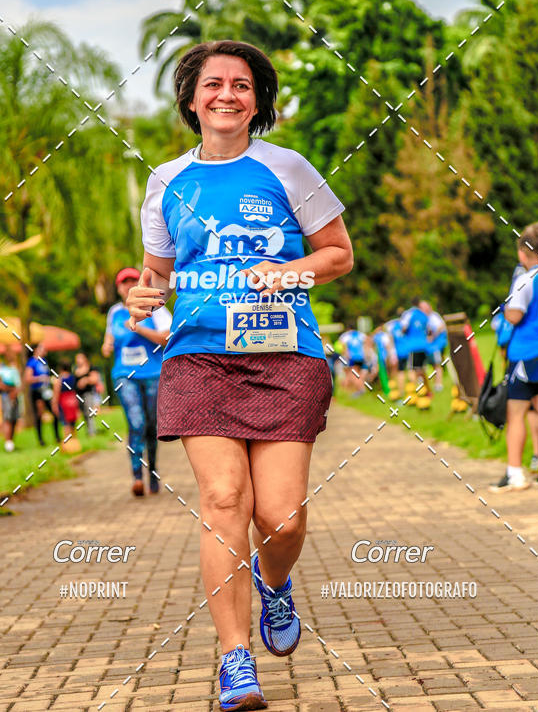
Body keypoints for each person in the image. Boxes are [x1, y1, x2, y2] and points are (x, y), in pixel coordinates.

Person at [126, 40, 353, 711]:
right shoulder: (165, 180)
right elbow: (156, 276)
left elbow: (338, 254)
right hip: (199, 356)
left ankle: (274, 585)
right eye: (214, 84)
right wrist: (144, 297)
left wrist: (288, 272)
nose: (228, 95)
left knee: (281, 520)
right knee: (225, 499)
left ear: (258, 101)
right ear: (192, 100)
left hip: (286, 358)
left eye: (243, 85)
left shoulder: (286, 168)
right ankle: (234, 657)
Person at [102, 268, 172, 497]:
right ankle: (136, 476)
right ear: (119, 287)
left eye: (132, 280)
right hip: (124, 375)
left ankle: (152, 471)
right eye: (124, 282)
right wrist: (107, 347)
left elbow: (166, 338)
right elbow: (109, 341)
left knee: (152, 426)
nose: (128, 285)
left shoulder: (157, 306)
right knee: (136, 422)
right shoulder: (114, 312)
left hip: (153, 374)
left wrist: (138, 327)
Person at [490, 223, 538, 492]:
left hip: (525, 353)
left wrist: (504, 308)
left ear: (524, 253)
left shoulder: (526, 279)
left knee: (517, 413)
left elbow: (514, 316)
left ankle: (515, 474)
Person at [24, 342, 60, 446]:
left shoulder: (44, 361)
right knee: (39, 415)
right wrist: (40, 378)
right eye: (41, 348)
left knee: (54, 412)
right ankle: (41, 440)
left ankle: (57, 437)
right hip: (37, 392)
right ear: (36, 350)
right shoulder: (32, 362)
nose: (44, 349)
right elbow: (28, 378)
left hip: (46, 390)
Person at [400, 300, 431, 398]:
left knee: (412, 370)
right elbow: (429, 330)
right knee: (422, 369)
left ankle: (415, 393)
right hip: (423, 345)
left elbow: (403, 328)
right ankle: (427, 390)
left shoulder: (408, 314)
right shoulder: (424, 315)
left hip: (412, 346)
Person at [0, 349, 22, 452]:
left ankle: (12, 442)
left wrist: (16, 392)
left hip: (15, 395)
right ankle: (8, 443)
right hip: (7, 396)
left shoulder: (14, 368)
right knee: (8, 419)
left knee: (14, 419)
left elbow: (19, 383)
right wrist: (11, 391)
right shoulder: (1, 368)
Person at [52, 359, 81, 452]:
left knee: (66, 424)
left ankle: (68, 446)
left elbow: (56, 394)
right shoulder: (72, 378)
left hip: (63, 402)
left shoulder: (59, 379)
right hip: (72, 401)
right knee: (73, 424)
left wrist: (54, 405)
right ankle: (74, 444)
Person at [73, 351, 103, 436]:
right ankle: (89, 431)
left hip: (88, 394)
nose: (78, 360)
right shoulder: (75, 370)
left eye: (79, 358)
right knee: (84, 414)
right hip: (79, 395)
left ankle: (91, 432)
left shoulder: (91, 368)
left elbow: (95, 379)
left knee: (89, 413)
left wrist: (85, 380)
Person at [421, 301, 448, 391]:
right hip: (427, 346)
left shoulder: (433, 316)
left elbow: (441, 326)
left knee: (436, 364)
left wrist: (433, 336)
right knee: (430, 365)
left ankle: (438, 384)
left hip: (435, 345)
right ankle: (430, 383)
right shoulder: (423, 318)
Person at [338, 328, 367, 395]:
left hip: (352, 357)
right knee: (358, 373)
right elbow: (367, 341)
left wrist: (345, 354)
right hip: (361, 357)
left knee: (353, 374)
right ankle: (359, 389)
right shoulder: (360, 334)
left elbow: (342, 345)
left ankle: (361, 389)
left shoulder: (346, 335)